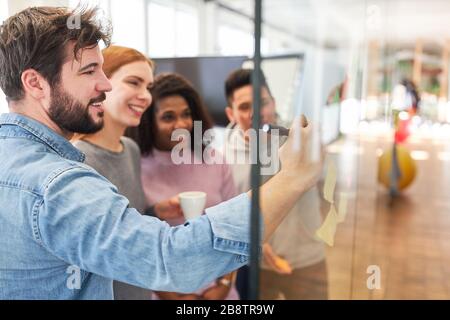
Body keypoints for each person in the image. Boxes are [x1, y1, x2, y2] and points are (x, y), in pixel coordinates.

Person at [0, 6, 321, 299]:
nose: (105, 84)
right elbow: (171, 259)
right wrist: (291, 178)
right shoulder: (58, 185)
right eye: (88, 71)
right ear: (36, 83)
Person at [72, 45, 182, 299]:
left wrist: (156, 212)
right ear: (101, 84)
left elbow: (126, 222)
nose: (145, 96)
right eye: (134, 82)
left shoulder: (130, 149)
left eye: (148, 87)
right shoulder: (81, 160)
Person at [127, 73, 239, 300]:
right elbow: (133, 245)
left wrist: (224, 285)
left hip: (220, 292)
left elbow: (235, 226)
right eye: (168, 117)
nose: (181, 125)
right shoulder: (134, 166)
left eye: (186, 114)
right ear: (149, 121)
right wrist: (171, 296)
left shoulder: (213, 159)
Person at [224, 68, 328, 300]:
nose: (255, 114)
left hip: (306, 258)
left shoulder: (298, 141)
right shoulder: (221, 157)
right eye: (243, 107)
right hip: (253, 264)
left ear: (274, 102)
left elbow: (324, 190)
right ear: (230, 113)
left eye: (262, 103)